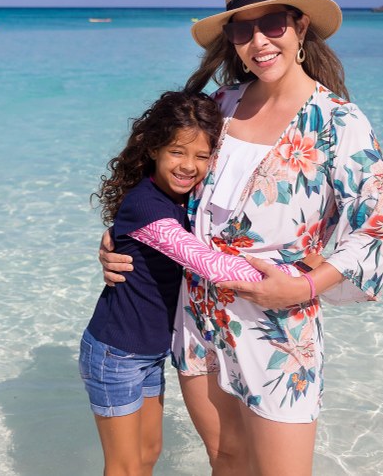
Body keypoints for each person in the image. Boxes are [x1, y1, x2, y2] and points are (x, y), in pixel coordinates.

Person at [99, 0, 383, 476]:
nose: (259, 41)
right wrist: (117, 240)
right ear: (232, 40)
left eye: (274, 24)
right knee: (226, 459)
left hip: (280, 325)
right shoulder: (222, 105)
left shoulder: (338, 122)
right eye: (243, 29)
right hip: (198, 314)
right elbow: (163, 184)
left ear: (300, 27)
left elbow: (379, 225)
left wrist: (305, 287)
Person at [80, 90, 295, 476]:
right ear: (153, 149)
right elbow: (207, 264)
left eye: (201, 156)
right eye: (177, 152)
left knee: (148, 454)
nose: (188, 166)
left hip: (148, 352)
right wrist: (300, 278)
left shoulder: (184, 199)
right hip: (116, 353)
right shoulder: (146, 205)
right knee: (125, 467)